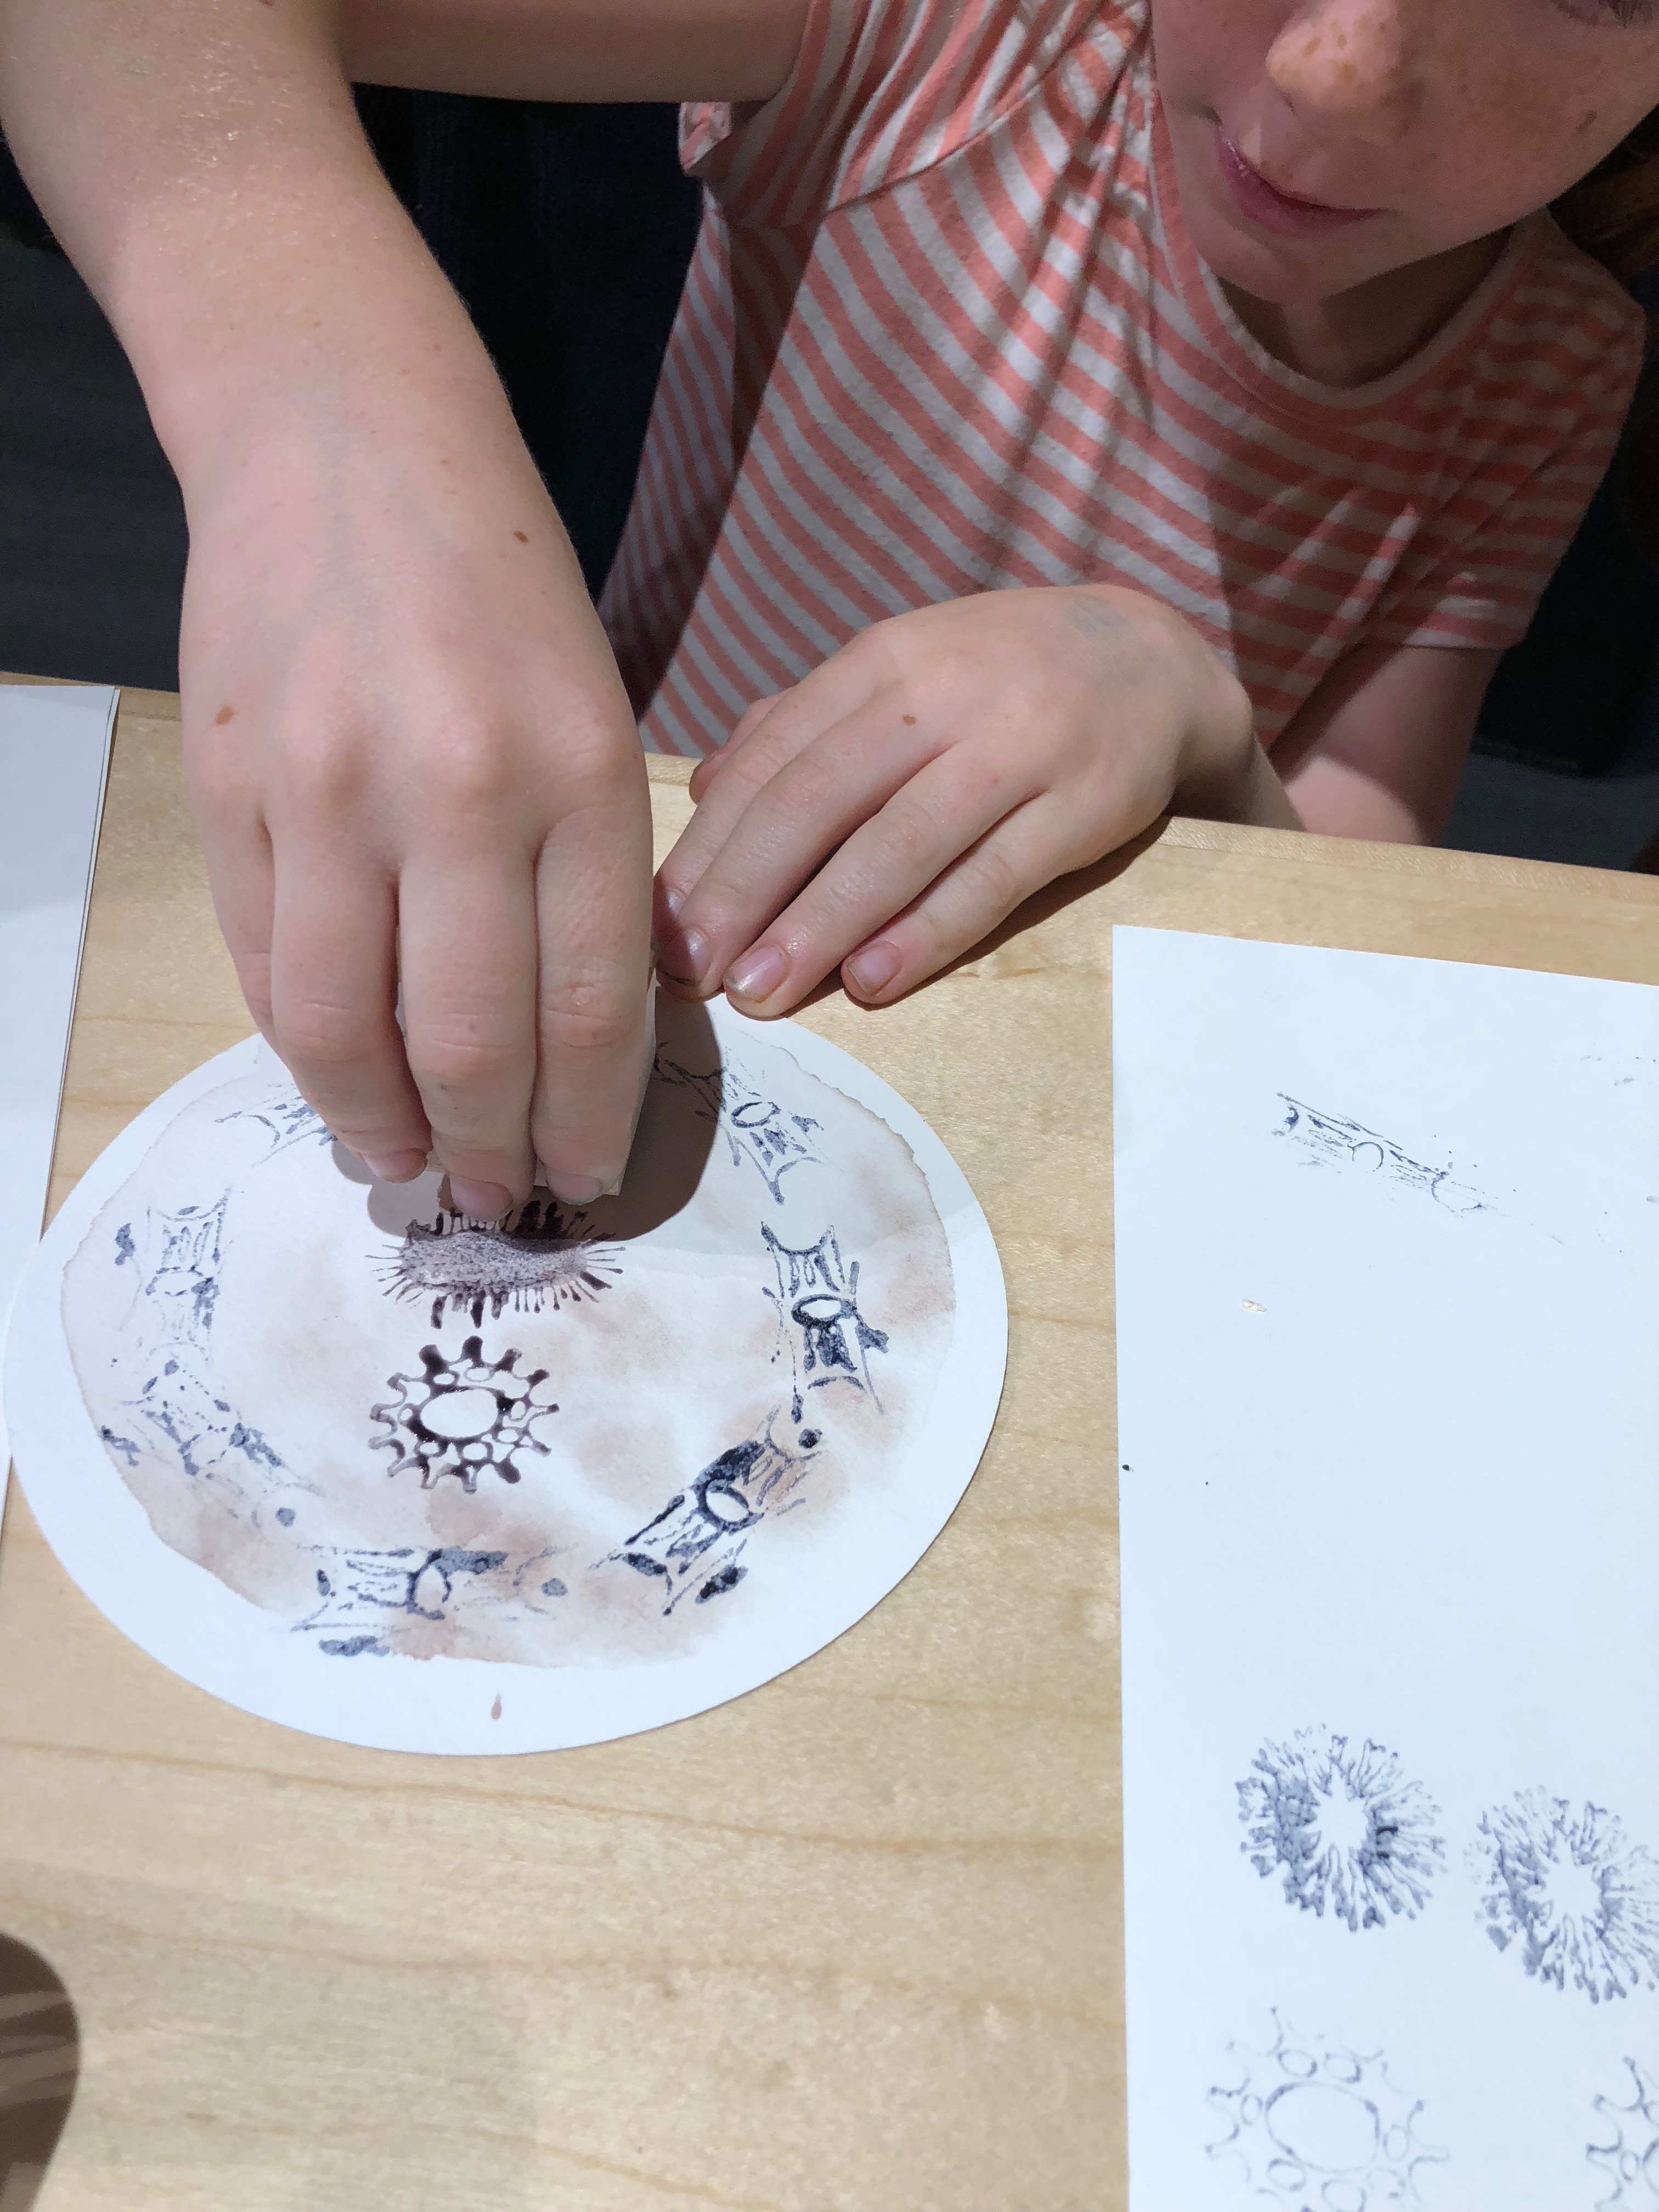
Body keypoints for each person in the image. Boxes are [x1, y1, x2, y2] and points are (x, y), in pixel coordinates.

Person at [2, 0, 1654, 1221]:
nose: (1338, 71)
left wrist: (1199, 718)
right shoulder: (965, 39)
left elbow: (1359, 884)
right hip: (650, 947)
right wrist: (330, 430)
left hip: (1052, 1138)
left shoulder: (1559, 362)